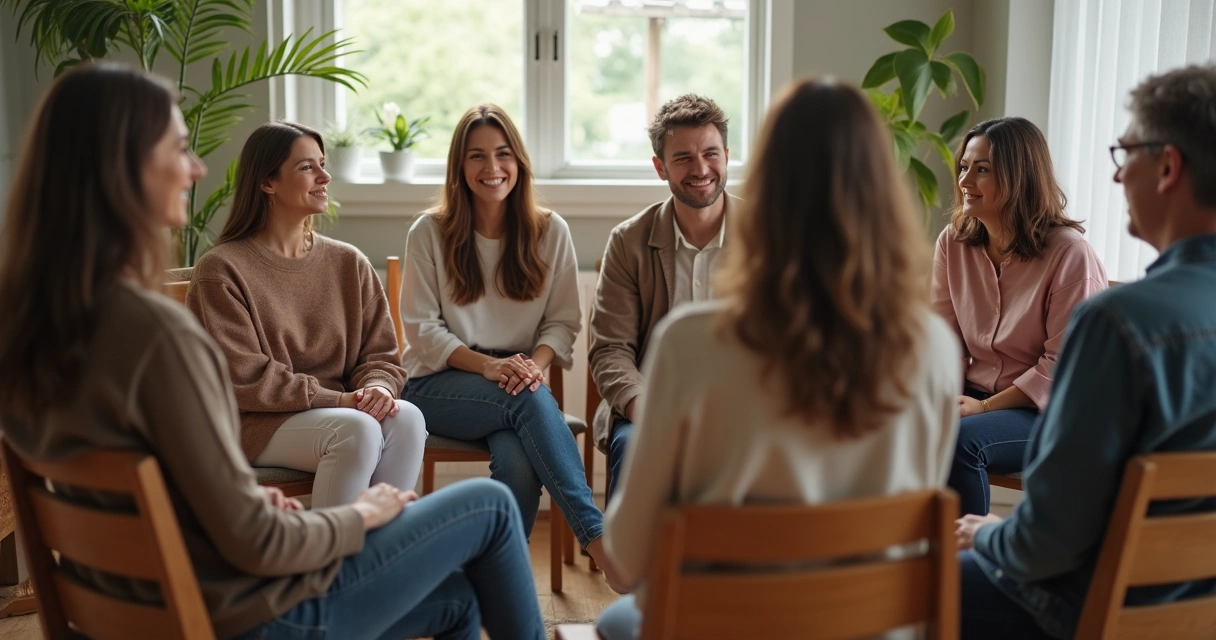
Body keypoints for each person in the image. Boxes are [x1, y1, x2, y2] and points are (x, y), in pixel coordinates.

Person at [0, 63, 545, 640]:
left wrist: (257, 508)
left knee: (455, 600)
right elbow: (255, 544)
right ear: (123, 167)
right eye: (180, 148)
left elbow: (199, 504)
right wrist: (358, 516)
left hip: (148, 612)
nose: (197, 167)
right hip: (253, 618)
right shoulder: (155, 334)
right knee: (488, 505)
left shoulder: (34, 329)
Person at [596, 77, 962, 639]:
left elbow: (625, 557)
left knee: (619, 621)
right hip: (871, 625)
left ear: (764, 180)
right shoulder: (935, 347)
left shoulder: (689, 343)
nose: (700, 168)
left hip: (725, 624)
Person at [956, 64, 1216, 640]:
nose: (1119, 178)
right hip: (1198, 606)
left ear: (1169, 166)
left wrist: (984, 532)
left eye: (1126, 155)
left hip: (1099, 602)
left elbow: (1046, 542)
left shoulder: (1119, 326)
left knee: (896, 588)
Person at [399, 104, 626, 588]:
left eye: (503, 154)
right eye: (476, 156)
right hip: (436, 382)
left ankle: (497, 581)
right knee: (523, 396)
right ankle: (598, 538)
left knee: (521, 464)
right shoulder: (430, 232)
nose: (492, 168)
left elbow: (563, 323)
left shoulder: (550, 231)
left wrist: (532, 367)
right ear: (459, 166)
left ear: (519, 162)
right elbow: (421, 328)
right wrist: (492, 368)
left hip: (519, 382)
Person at [187, 121, 427, 508]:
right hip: (255, 422)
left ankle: (378, 558)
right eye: (307, 167)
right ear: (268, 182)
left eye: (323, 163)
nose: (325, 176)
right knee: (359, 431)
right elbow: (244, 379)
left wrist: (379, 390)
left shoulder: (349, 262)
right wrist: (341, 401)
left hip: (339, 412)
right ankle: (327, 561)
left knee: (407, 417)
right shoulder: (222, 269)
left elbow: (380, 355)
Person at [933, 116, 1107, 516]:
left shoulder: (1069, 253)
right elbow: (945, 338)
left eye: (982, 170)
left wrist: (985, 408)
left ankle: (972, 564)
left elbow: (1064, 366)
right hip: (976, 397)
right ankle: (912, 559)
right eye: (964, 167)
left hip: (1051, 411)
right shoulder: (953, 243)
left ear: (1020, 177)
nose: (964, 181)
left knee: (960, 441)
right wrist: (940, 397)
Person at [589, 94, 740, 499]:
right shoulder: (628, 241)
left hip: (744, 405)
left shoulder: (770, 235)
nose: (701, 168)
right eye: (683, 158)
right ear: (660, 167)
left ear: (727, 155)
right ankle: (627, 563)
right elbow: (609, 350)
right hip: (652, 404)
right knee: (634, 449)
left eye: (710, 153)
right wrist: (649, 411)